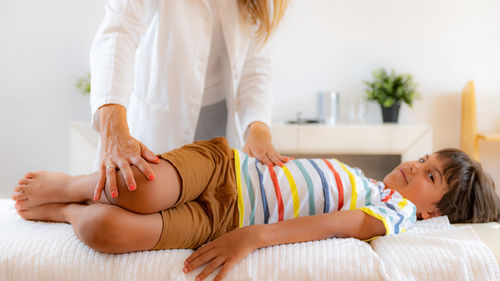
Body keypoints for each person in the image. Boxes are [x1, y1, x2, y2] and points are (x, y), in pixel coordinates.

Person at [12, 137, 500, 281]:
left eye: (430, 176)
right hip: (225, 169)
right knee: (134, 191)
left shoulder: (395, 212)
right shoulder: (371, 182)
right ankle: (73, 183)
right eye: (423, 159)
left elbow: (335, 223)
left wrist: (254, 236)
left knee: (103, 231)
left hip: (226, 219)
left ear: (434, 215)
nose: (414, 167)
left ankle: (67, 212)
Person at [89, 0, 290, 202]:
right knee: (133, 199)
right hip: (162, 122)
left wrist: (258, 127)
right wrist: (113, 127)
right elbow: (118, 35)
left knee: (208, 211)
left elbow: (255, 66)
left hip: (223, 126)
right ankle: (62, 199)